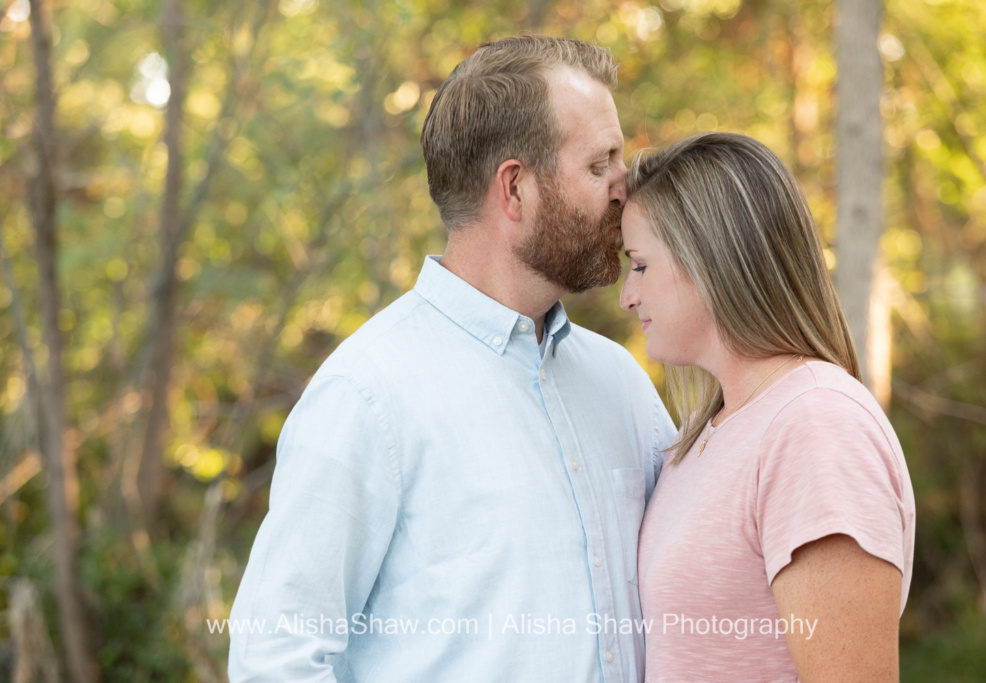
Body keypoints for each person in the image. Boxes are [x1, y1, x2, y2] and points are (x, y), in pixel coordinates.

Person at [228, 35, 676, 682]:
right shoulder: (367, 396)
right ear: (516, 189)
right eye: (601, 163)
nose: (624, 189)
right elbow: (276, 658)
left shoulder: (623, 385)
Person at [618, 132, 915, 681]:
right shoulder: (707, 432)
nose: (627, 295)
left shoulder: (816, 426)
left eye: (639, 265)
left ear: (709, 257)